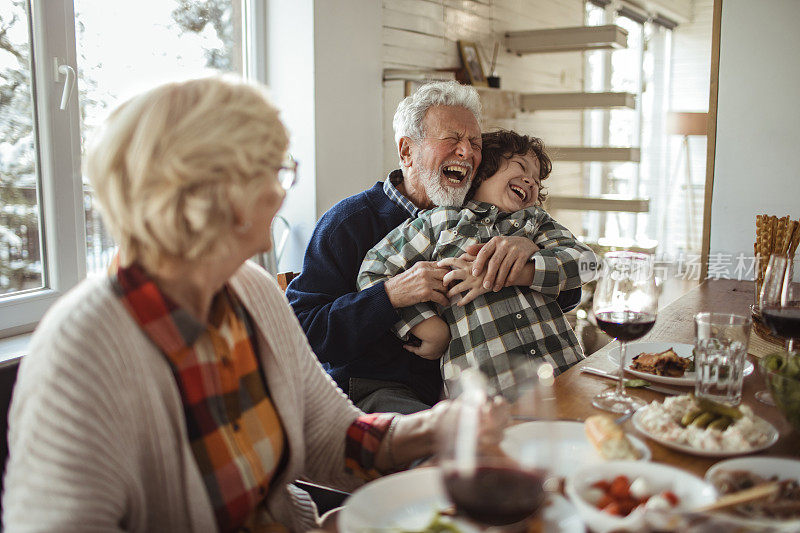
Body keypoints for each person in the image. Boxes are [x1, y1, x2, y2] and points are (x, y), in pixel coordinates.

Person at [1, 77, 467, 533]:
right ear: (204, 191)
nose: (282, 191)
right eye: (274, 169)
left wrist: (434, 428)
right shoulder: (82, 349)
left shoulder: (251, 291)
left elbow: (330, 439)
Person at [286, 81, 581, 414]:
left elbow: (569, 294)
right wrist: (390, 295)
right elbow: (302, 332)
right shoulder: (350, 222)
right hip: (383, 391)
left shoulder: (489, 213)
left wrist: (527, 251)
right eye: (452, 139)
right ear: (407, 151)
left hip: (466, 389)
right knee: (465, 450)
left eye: (474, 142)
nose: (467, 152)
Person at [357, 130, 597, 397]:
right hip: (487, 394)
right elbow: (374, 269)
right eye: (521, 166)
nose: (531, 181)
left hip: (564, 373)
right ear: (483, 171)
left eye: (538, 180)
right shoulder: (439, 222)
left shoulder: (536, 222)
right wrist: (427, 327)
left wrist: (522, 268)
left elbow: (588, 265)